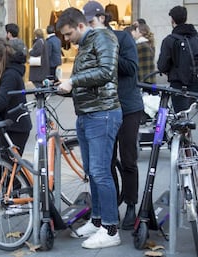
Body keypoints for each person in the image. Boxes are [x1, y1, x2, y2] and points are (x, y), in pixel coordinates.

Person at [56, 7, 122, 249]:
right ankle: (97, 221)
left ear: (81, 26)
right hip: (88, 113)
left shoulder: (103, 37)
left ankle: (111, 229)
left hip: (102, 113)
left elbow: (106, 72)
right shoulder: (86, 44)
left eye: (68, 33)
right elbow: (92, 76)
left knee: (100, 171)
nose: (66, 39)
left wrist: (73, 81)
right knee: (93, 172)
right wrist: (67, 87)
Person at [82, 1, 144, 231]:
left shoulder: (122, 38)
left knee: (128, 159)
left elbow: (131, 69)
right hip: (102, 109)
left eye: (91, 22)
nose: (90, 27)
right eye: (86, 24)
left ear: (102, 18)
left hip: (127, 107)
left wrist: (108, 54)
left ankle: (131, 206)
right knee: (105, 163)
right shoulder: (87, 43)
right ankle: (110, 210)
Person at [157, 5, 198, 113]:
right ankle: (186, 129)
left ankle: (183, 129)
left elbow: (162, 65)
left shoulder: (170, 40)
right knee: (187, 116)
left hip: (179, 84)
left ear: (172, 20)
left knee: (180, 116)